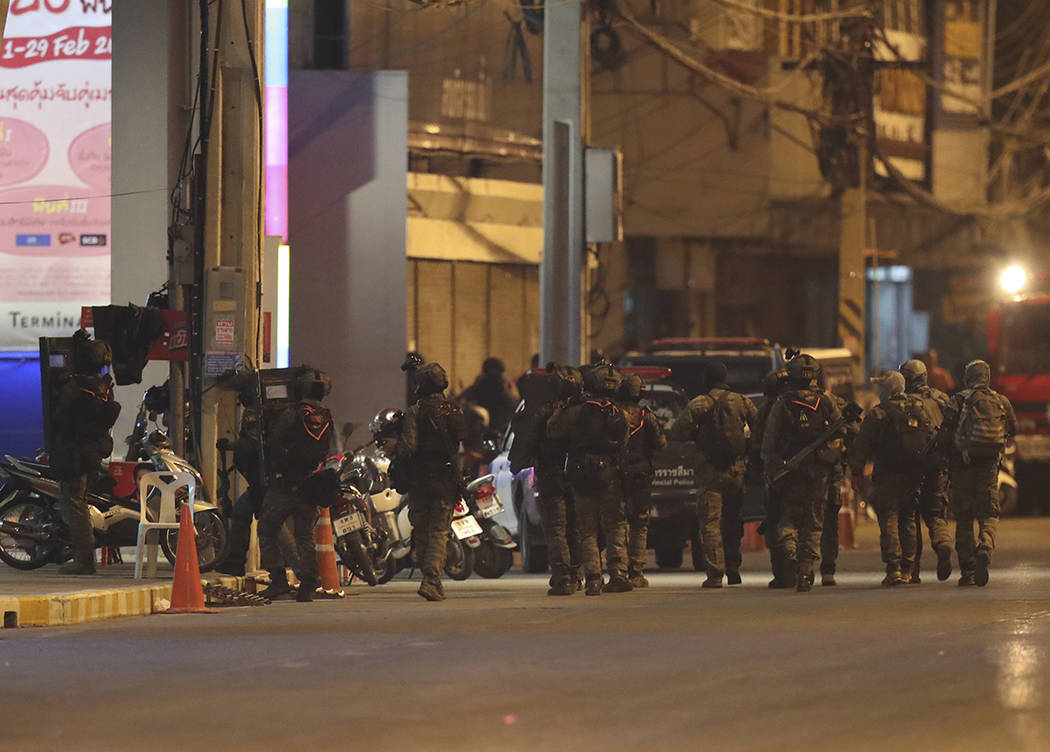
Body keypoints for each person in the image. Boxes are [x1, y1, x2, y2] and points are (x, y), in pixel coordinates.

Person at [761, 354, 844, 592]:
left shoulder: (783, 403)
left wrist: (771, 468)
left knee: (788, 518)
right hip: (819, 474)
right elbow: (840, 437)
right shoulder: (826, 402)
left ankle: (789, 551)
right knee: (814, 522)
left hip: (790, 473)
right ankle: (806, 570)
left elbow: (769, 440)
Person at [547, 363, 631, 595]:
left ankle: (594, 578)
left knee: (587, 529)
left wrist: (561, 407)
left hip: (582, 473)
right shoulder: (619, 412)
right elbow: (624, 443)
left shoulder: (578, 410)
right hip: (611, 475)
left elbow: (553, 430)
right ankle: (619, 573)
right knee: (615, 525)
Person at [848, 371, 938, 586]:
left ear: (887, 389)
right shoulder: (916, 410)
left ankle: (894, 567)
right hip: (913, 475)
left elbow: (861, 447)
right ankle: (908, 567)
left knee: (889, 518)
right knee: (908, 518)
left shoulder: (878, 414)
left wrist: (856, 472)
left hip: (887, 475)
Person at [672, 360, 756, 588]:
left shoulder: (699, 404)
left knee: (710, 522)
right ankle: (733, 566)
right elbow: (759, 428)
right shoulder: (742, 402)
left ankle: (715, 573)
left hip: (709, 471)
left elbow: (677, 431)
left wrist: (698, 440)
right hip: (736, 470)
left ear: (706, 379)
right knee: (733, 520)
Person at [257, 369, 335, 602]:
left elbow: (274, 442)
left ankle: (278, 580)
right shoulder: (326, 417)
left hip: (286, 483)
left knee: (267, 527)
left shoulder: (293, 414)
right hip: (311, 484)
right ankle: (308, 581)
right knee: (304, 536)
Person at [938, 360, 1016, 587]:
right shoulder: (1001, 401)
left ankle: (969, 571)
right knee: (989, 514)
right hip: (989, 468)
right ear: (987, 377)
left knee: (963, 519)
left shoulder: (958, 400)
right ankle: (986, 545)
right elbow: (1013, 428)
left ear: (968, 377)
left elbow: (945, 436)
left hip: (962, 468)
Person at [50, 330, 121, 574]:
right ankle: (81, 552)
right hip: (90, 452)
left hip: (75, 453)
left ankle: (84, 560)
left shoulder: (77, 388)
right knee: (76, 503)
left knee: (74, 505)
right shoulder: (104, 386)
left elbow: (60, 414)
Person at [397, 361, 468, 601]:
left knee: (424, 529)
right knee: (440, 530)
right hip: (446, 477)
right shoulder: (454, 409)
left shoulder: (414, 412)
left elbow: (408, 447)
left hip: (420, 478)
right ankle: (432, 579)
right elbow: (460, 442)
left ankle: (429, 579)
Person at [517, 365, 584, 596]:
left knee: (556, 529)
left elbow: (527, 446)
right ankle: (576, 575)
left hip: (550, 478)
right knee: (575, 528)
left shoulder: (543, 413)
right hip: (578, 479)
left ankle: (563, 577)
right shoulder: (585, 412)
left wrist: (521, 462)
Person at [900, 358, 954, 583]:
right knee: (935, 514)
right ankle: (942, 544)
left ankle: (913, 570)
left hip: (910, 469)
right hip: (938, 467)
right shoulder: (941, 398)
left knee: (910, 516)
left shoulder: (902, 403)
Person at [618, 373, 667, 588]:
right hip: (641, 476)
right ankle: (636, 571)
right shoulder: (648, 416)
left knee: (619, 522)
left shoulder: (613, 414)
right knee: (639, 523)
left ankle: (619, 568)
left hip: (618, 475)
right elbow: (661, 443)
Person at [818, 371, 863, 587]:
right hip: (831, 473)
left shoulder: (786, 403)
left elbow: (769, 438)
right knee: (829, 522)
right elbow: (855, 435)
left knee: (798, 521)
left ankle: (800, 567)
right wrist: (854, 468)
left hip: (796, 477)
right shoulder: (836, 403)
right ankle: (828, 570)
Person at [752, 368, 791, 588]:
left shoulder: (766, 411)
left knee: (776, 521)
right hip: (800, 474)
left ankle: (781, 572)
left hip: (774, 475)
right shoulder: (799, 405)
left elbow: (757, 444)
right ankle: (803, 568)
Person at [459, 357, 518, 437]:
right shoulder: (500, 386)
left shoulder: (479, 385)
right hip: (496, 429)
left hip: (485, 429)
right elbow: (513, 403)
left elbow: (462, 399)